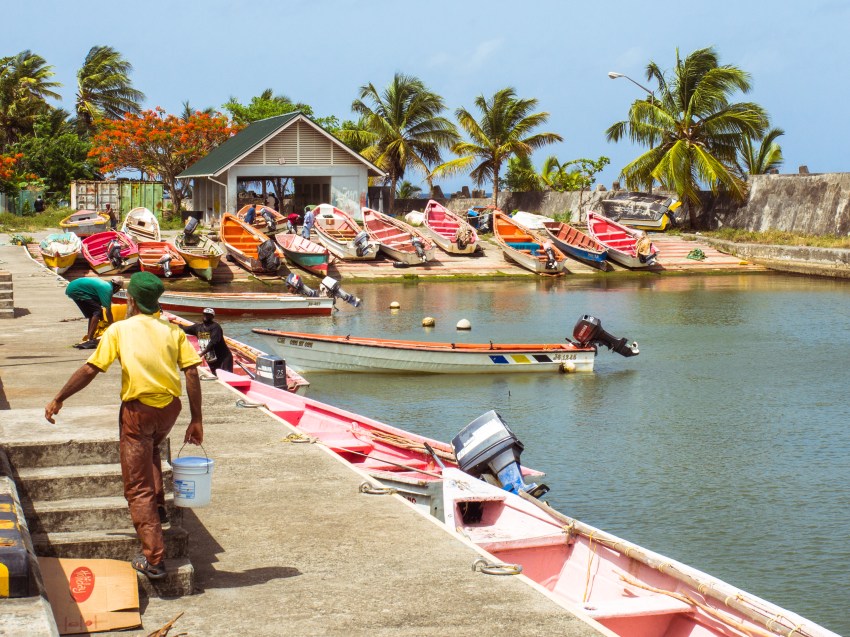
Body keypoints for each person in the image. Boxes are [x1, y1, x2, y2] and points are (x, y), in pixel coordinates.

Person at [45, 272, 204, 581]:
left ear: (130, 300)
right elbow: (192, 374)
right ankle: (157, 510)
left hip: (138, 411)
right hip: (169, 409)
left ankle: (154, 559)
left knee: (137, 486)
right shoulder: (174, 332)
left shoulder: (120, 330)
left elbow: (92, 368)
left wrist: (59, 398)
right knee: (152, 449)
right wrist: (197, 419)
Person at [65, 276, 123, 345]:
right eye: (119, 289)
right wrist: (112, 327)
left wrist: (102, 321)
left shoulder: (105, 286)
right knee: (97, 311)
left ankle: (89, 337)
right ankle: (90, 338)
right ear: (117, 287)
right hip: (76, 289)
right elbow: (108, 312)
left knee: (93, 313)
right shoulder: (108, 289)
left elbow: (99, 307)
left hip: (72, 287)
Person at [180, 308, 233, 374]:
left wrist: (202, 353)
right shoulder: (198, 327)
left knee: (225, 376)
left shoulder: (216, 327)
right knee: (215, 375)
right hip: (210, 357)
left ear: (212, 317)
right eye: (205, 314)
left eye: (208, 315)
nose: (206, 316)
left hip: (223, 358)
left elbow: (213, 342)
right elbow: (183, 329)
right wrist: (174, 325)